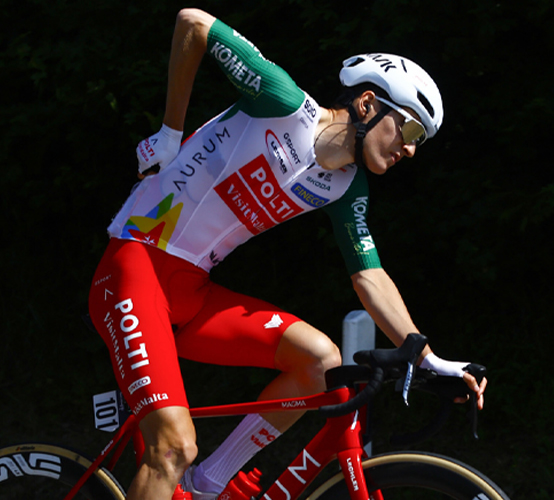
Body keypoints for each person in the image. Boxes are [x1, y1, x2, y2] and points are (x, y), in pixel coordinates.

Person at [88, 8, 487, 500]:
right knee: (171, 448)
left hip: (190, 293)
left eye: (419, 142)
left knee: (319, 359)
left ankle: (209, 483)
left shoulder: (345, 186)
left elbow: (370, 276)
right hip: (136, 267)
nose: (410, 150)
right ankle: (184, 470)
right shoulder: (281, 101)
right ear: (367, 104)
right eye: (409, 132)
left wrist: (427, 357)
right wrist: (170, 134)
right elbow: (193, 23)